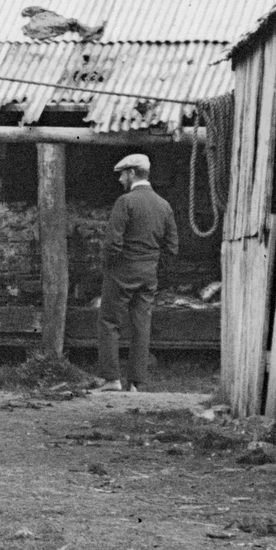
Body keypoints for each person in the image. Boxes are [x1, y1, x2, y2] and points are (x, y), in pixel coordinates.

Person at [97, 154, 179, 389]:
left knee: (109, 321)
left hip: (122, 272)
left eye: (122, 174)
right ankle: (134, 383)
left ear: (132, 173)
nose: (120, 179)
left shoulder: (125, 201)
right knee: (141, 325)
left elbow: (113, 243)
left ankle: (112, 379)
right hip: (148, 274)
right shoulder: (164, 205)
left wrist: (109, 266)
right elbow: (172, 247)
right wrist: (153, 266)